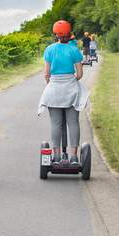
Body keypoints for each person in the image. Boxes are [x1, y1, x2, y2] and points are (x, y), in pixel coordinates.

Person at [38, 20, 89, 165]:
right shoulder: (74, 50)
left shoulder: (49, 49)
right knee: (73, 123)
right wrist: (71, 79)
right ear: (69, 33)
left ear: (55, 34)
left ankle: (57, 156)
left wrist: (52, 84)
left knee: (56, 124)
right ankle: (73, 157)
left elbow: (46, 73)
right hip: (71, 89)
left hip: (54, 88)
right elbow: (79, 74)